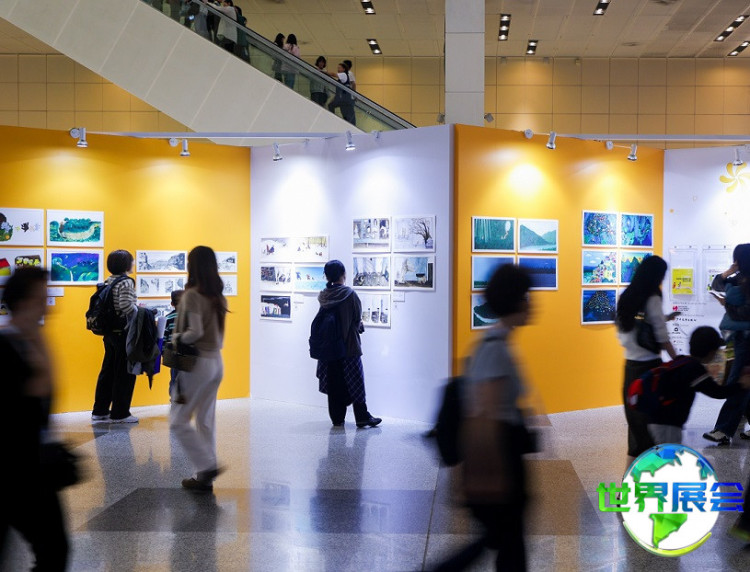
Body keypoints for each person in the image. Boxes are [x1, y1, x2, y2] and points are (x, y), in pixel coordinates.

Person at [434, 264, 534, 571]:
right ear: (516, 301)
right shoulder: (495, 349)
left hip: (500, 459)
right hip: (500, 461)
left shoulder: (495, 343)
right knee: (506, 546)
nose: (531, 304)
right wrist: (491, 477)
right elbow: (483, 419)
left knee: (501, 543)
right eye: (526, 296)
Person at [0, 268, 69, 571]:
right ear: (22, 302)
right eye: (41, 299)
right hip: (13, 468)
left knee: (55, 549)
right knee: (53, 549)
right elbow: (32, 394)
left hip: (32, 465)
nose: (48, 307)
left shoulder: (33, 340)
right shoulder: (5, 347)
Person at [169, 246, 227, 492]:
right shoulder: (218, 297)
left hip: (197, 363)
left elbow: (194, 333)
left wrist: (176, 338)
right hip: (216, 362)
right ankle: (205, 477)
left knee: (178, 420)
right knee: (205, 420)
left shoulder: (192, 295)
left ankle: (206, 466)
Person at [616, 255, 678, 462]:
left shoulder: (627, 296)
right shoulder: (652, 297)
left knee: (636, 426)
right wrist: (677, 359)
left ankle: (630, 477)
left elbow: (626, 331)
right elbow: (662, 337)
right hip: (650, 369)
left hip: (629, 368)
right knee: (652, 426)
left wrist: (664, 318)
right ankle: (651, 474)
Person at [645, 327, 750, 445]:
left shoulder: (682, 361)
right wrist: (741, 385)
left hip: (655, 419)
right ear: (711, 352)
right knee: (668, 452)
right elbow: (717, 392)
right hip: (668, 424)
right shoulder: (695, 370)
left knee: (663, 449)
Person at [315, 260, 381, 428]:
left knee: (334, 383)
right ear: (343, 274)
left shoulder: (324, 295)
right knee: (356, 381)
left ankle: (337, 419)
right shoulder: (350, 295)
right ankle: (362, 417)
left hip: (329, 349)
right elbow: (356, 320)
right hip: (349, 346)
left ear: (327, 276)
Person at [703, 244, 750, 444]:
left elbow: (746, 313)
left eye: (737, 258)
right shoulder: (738, 278)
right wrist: (728, 271)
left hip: (747, 338)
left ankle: (723, 429)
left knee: (737, 382)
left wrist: (726, 304)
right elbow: (716, 285)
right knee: (744, 383)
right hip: (738, 337)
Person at [92, 249, 139, 424]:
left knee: (108, 371)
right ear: (126, 264)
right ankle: (121, 413)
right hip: (123, 332)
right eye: (132, 261)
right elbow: (126, 306)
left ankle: (100, 411)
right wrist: (142, 312)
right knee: (125, 373)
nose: (134, 263)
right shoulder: (126, 281)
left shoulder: (108, 281)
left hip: (110, 332)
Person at [164, 289, 185, 398]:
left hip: (174, 355)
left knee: (174, 379)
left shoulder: (168, 318)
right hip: (190, 355)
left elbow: (164, 338)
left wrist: (164, 353)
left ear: (172, 304)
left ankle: (174, 400)